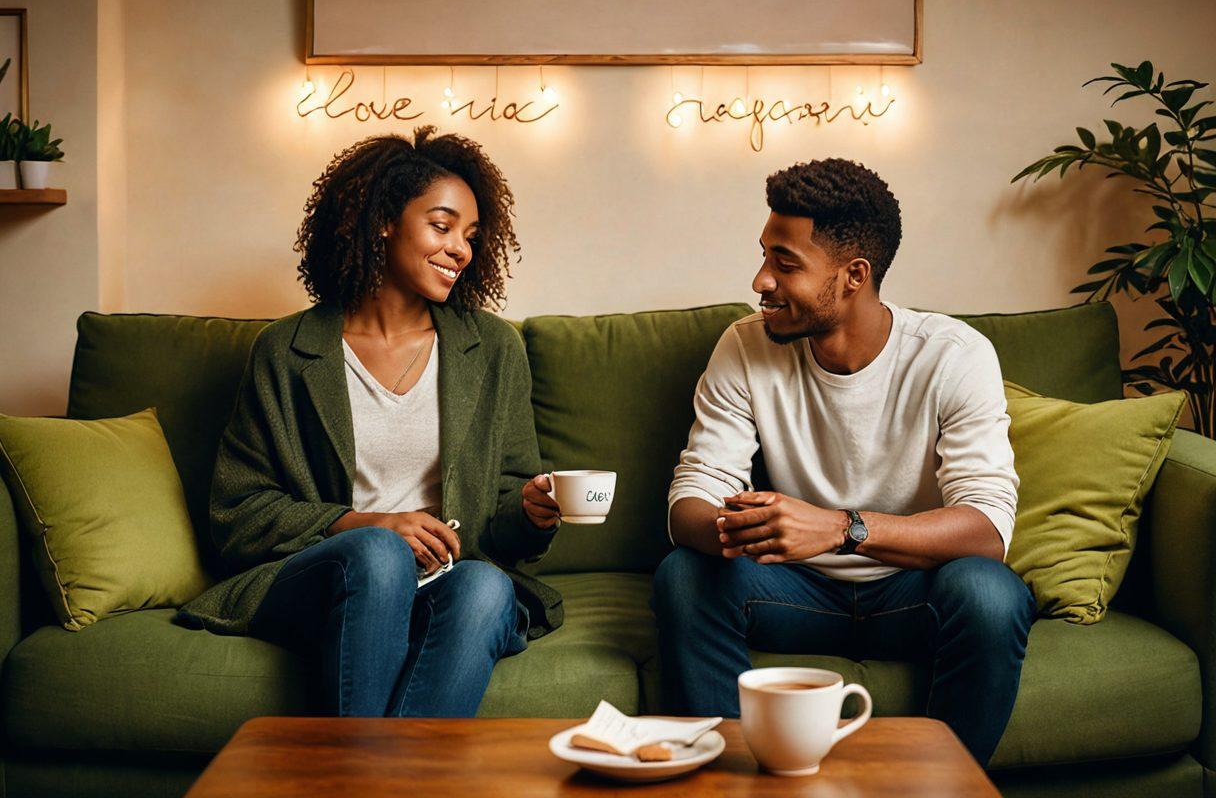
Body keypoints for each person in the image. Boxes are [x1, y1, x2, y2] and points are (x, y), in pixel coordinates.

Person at [652, 158, 1033, 766]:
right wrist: (745, 526)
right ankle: (728, 780)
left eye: (785, 264)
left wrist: (839, 528)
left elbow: (987, 530)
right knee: (685, 576)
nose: (761, 281)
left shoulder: (954, 356)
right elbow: (689, 502)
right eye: (764, 256)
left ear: (854, 274)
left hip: (913, 592)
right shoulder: (745, 345)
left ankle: (944, 785)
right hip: (789, 589)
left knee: (990, 594)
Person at [175, 127, 564, 718]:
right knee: (379, 555)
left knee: (488, 586)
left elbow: (506, 519)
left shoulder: (492, 349)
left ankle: (366, 768)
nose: (461, 249)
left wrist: (533, 514)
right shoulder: (286, 352)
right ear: (383, 221)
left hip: (447, 581)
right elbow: (238, 513)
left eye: (470, 236)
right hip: (333, 578)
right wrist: (364, 524)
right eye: (442, 226)